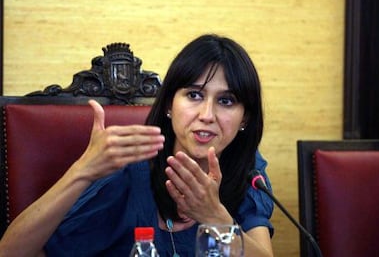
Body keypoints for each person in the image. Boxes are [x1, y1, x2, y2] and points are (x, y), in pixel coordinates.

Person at [0, 34, 274, 257]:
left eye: (226, 101)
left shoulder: (248, 173)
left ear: (245, 118)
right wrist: (82, 170)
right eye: (194, 95)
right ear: (169, 104)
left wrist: (216, 218)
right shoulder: (129, 174)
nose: (207, 114)